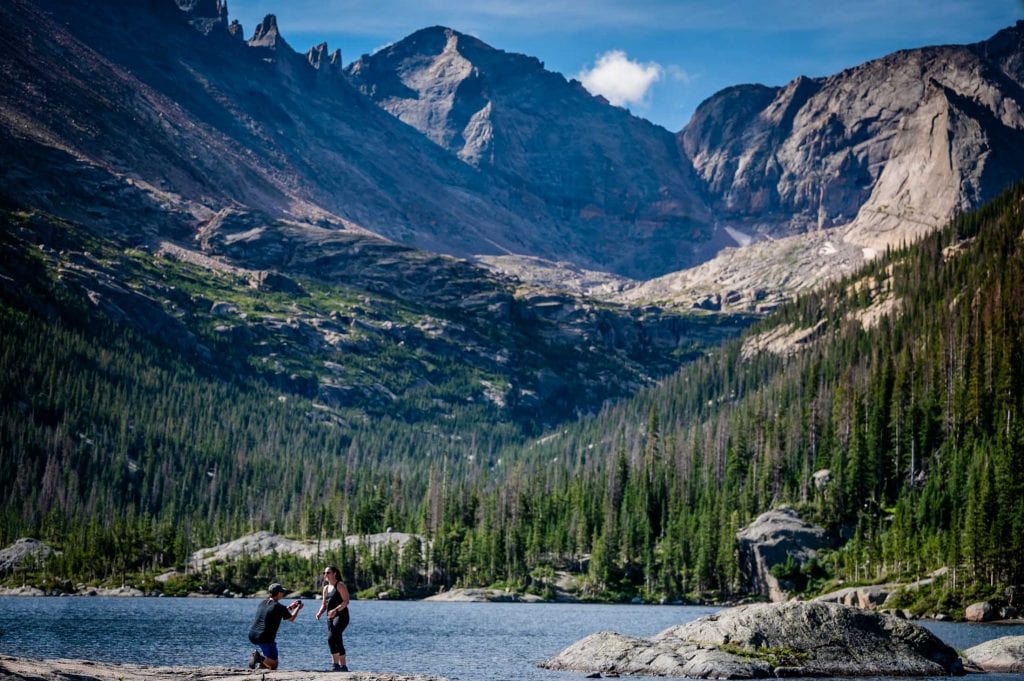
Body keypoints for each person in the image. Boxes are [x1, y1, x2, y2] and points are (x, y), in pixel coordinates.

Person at [247, 582, 303, 670]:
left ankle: (261, 664)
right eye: (282, 592)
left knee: (270, 660)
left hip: (253, 634)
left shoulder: (263, 603)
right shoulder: (279, 607)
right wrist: (298, 608)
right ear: (279, 593)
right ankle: (259, 657)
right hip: (265, 637)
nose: (283, 594)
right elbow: (291, 618)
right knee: (274, 664)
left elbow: (277, 612)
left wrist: (291, 607)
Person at [315, 565, 351, 672]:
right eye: (324, 573)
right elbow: (324, 604)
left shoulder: (340, 585)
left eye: (328, 572)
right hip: (330, 617)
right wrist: (320, 613)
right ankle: (339, 666)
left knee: (331, 637)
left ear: (334, 573)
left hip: (341, 616)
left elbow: (346, 601)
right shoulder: (326, 588)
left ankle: (339, 665)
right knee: (336, 639)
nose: (325, 575)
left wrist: (335, 610)